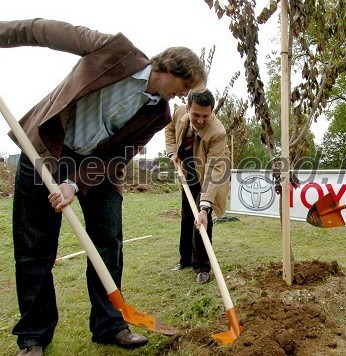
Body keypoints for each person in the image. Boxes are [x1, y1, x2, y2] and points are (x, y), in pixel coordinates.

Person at [0, 18, 207, 356]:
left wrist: (72, 183)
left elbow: (118, 156)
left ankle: (110, 324)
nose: (184, 95)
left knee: (108, 242)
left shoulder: (159, 114)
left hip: (99, 169)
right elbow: (41, 30)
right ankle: (34, 336)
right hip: (47, 149)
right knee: (34, 246)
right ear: (167, 66)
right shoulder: (113, 50)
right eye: (184, 85)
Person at [165, 89, 230, 285]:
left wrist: (205, 206)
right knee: (187, 215)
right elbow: (169, 129)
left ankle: (202, 266)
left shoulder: (217, 132)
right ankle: (185, 260)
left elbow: (213, 171)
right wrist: (171, 153)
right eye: (196, 115)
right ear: (187, 108)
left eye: (205, 116)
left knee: (201, 219)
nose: (201, 120)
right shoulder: (178, 113)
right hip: (188, 169)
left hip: (210, 172)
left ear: (212, 112)